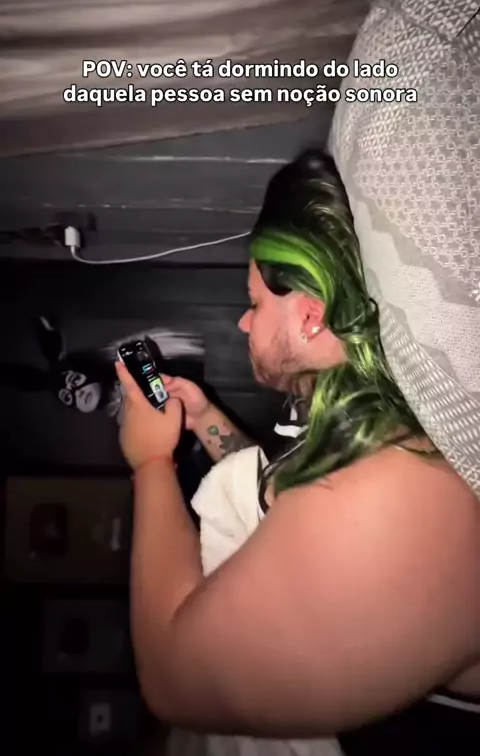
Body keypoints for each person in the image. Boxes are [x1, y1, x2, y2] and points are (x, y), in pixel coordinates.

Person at [115, 150, 480, 756]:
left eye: (255, 303)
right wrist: (204, 421)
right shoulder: (372, 429)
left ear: (310, 315)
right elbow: (292, 506)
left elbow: (172, 680)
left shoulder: (392, 489)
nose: (242, 323)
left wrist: (149, 463)